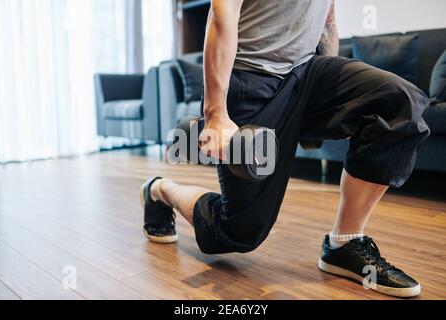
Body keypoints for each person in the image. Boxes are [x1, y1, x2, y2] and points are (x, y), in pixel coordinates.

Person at [140, 0, 430, 298]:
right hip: (249, 80)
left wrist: (330, 106)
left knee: (399, 102)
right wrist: (216, 115)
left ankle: (344, 243)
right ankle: (161, 190)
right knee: (240, 231)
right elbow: (221, 14)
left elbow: (326, 19)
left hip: (306, 72)